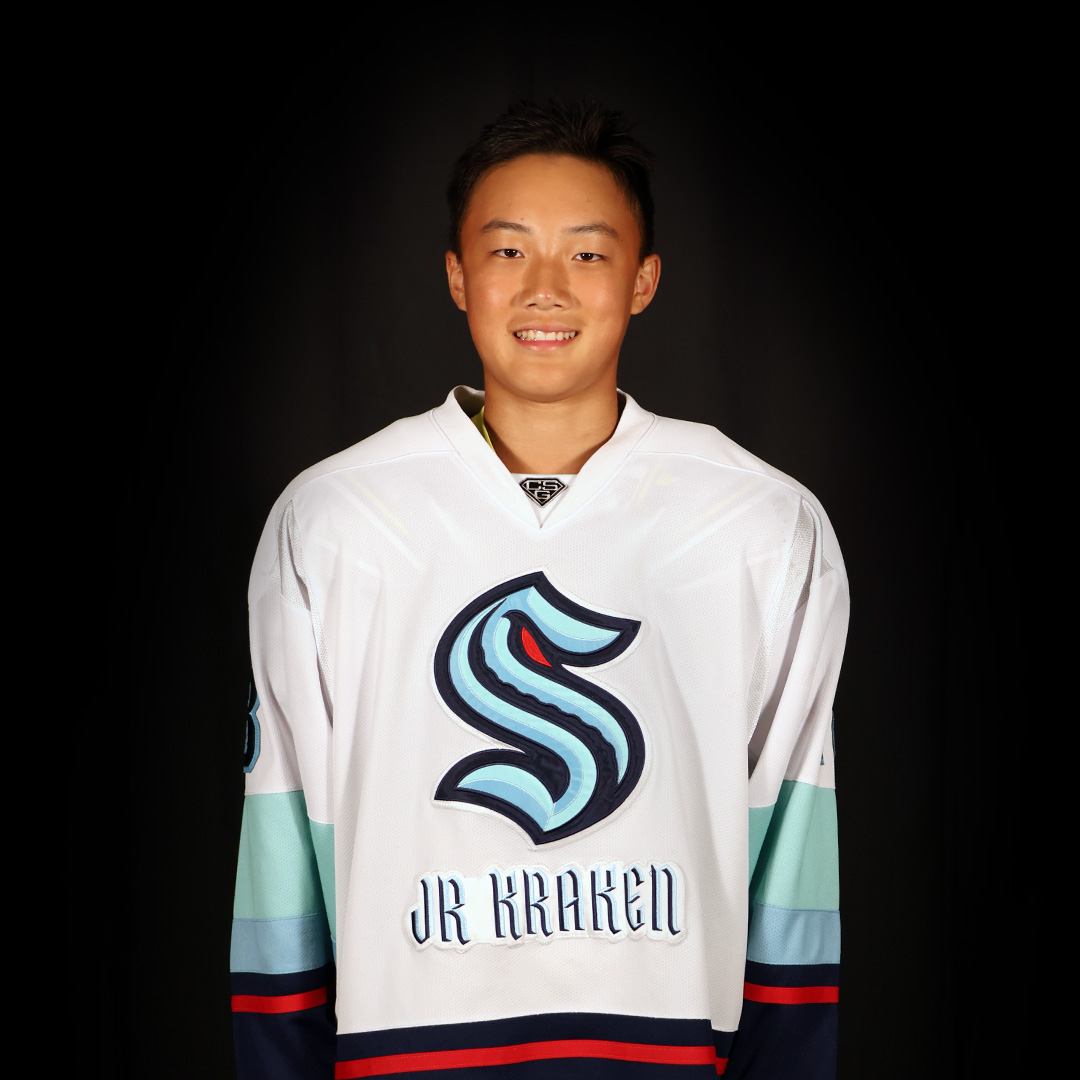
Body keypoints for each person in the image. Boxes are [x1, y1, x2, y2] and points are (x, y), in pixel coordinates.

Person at [230, 101, 849, 1079]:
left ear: (644, 279)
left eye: (588, 253)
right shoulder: (333, 520)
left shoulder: (763, 525)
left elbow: (792, 863)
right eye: (509, 251)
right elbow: (281, 861)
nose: (546, 289)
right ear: (456, 276)